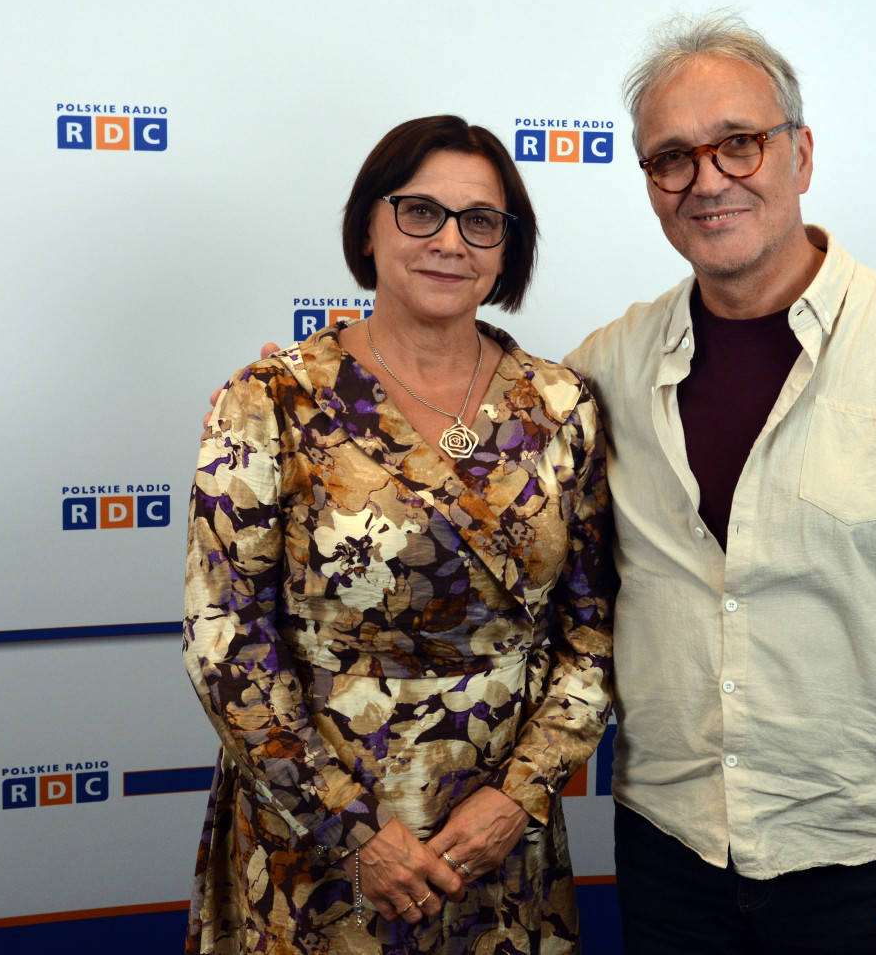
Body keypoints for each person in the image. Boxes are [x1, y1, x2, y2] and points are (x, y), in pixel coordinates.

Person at [560, 12, 876, 955]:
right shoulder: (609, 363)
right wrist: (350, 382)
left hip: (870, 857)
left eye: (738, 143)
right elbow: (475, 459)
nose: (708, 180)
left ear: (801, 154)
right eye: (672, 159)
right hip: (670, 848)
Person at [183, 114, 616, 955]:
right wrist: (353, 829)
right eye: (420, 212)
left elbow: (594, 632)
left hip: (497, 838)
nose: (450, 241)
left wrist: (518, 795)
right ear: (368, 228)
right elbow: (224, 638)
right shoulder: (272, 398)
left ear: (507, 248)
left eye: (480, 221)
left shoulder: (562, 407)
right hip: (312, 841)